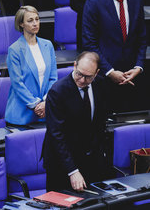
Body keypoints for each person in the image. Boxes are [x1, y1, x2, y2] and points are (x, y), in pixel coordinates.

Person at [83, 0, 146, 112]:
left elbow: (142, 39)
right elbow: (89, 43)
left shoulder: (136, 1)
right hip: (105, 76)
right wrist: (110, 71)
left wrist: (138, 66)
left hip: (132, 75)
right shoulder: (94, 3)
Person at [42, 52, 108, 192]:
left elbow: (99, 124)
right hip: (61, 163)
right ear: (74, 65)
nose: (82, 80)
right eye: (79, 74)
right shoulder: (58, 91)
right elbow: (56, 135)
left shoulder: (100, 85)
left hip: (89, 159)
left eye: (88, 77)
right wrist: (72, 171)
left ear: (96, 73)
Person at [5, 6, 57, 126]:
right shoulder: (14, 49)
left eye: (37, 19)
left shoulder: (47, 45)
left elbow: (53, 78)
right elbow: (17, 83)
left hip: (45, 111)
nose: (35, 23)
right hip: (22, 115)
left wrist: (45, 102)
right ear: (21, 24)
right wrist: (35, 105)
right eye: (30, 20)